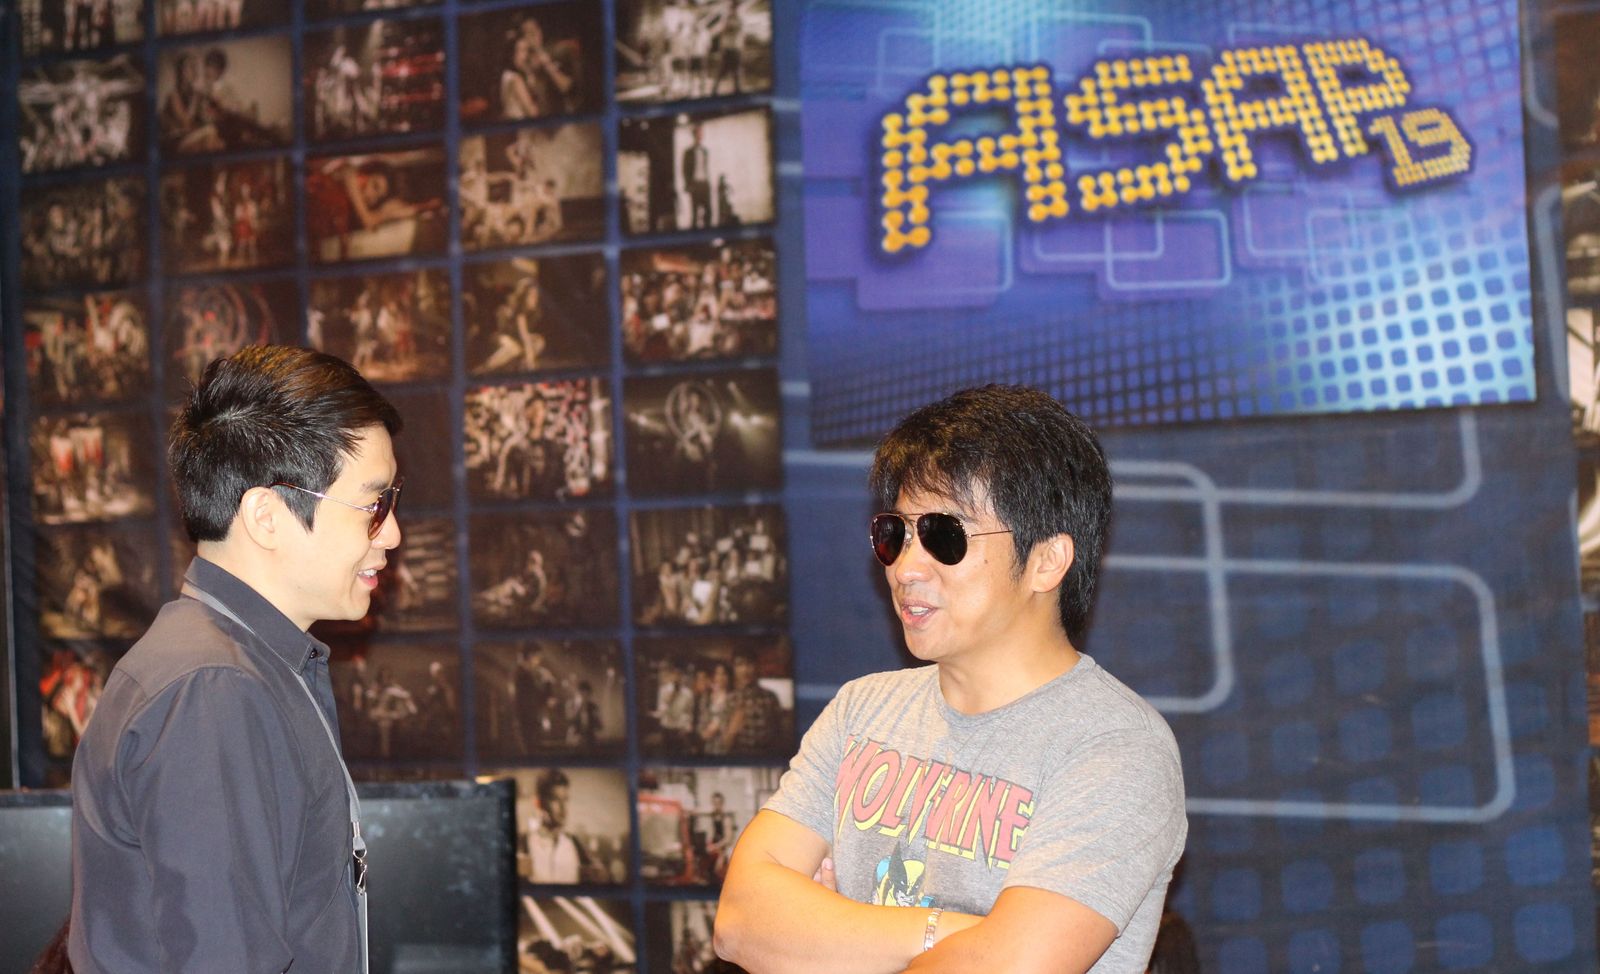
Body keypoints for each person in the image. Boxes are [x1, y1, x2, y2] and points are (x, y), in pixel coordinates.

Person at [714, 385, 1187, 973]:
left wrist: (827, 940)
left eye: (944, 535)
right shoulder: (862, 710)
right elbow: (739, 920)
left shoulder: (1117, 748)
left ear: (1047, 561)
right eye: (896, 533)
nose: (907, 568)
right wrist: (950, 933)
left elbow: (1008, 967)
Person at [68, 345, 404, 974]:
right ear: (266, 516)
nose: (391, 533)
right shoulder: (213, 688)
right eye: (373, 505)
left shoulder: (231, 667)